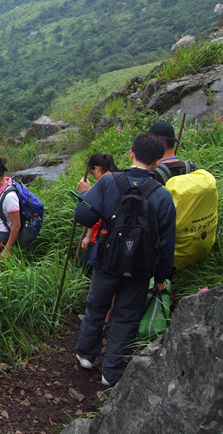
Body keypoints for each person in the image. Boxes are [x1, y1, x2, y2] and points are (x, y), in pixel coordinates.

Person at [74, 133, 176, 386]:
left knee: (96, 307)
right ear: (158, 162)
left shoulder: (109, 182)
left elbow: (83, 216)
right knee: (127, 317)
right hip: (140, 269)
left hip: (107, 260)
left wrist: (88, 195)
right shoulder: (163, 196)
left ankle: (86, 356)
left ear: (131, 153)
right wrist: (161, 278)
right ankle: (112, 371)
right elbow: (167, 245)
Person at [77, 153, 121, 254]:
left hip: (105, 233)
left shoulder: (104, 183)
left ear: (97, 168)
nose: (93, 176)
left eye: (92, 172)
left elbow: (96, 214)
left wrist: (85, 193)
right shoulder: (118, 177)